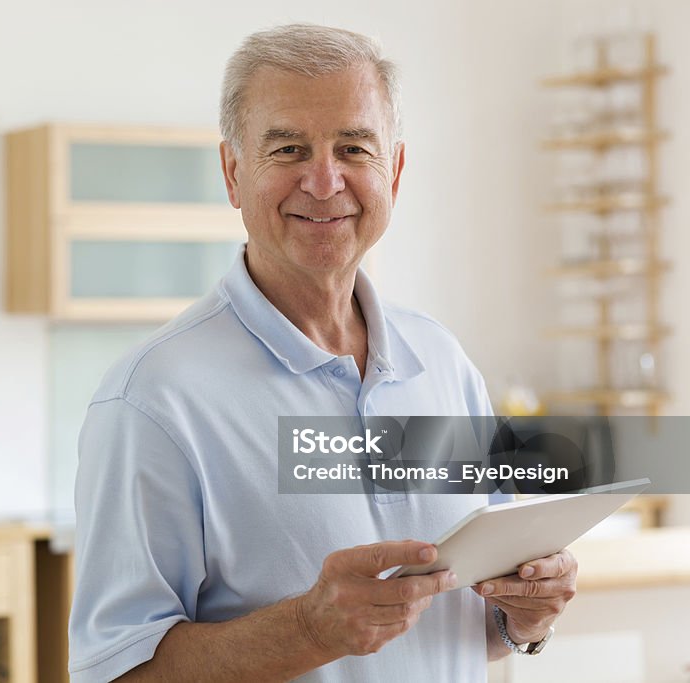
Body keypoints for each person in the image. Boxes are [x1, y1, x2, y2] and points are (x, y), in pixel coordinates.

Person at [69, 23, 577, 682]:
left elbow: (473, 619)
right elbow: (113, 671)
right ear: (233, 171)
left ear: (392, 169)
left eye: (354, 147)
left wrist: (527, 614)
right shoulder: (151, 399)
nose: (323, 178)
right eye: (287, 148)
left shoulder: (442, 362)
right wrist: (306, 629)